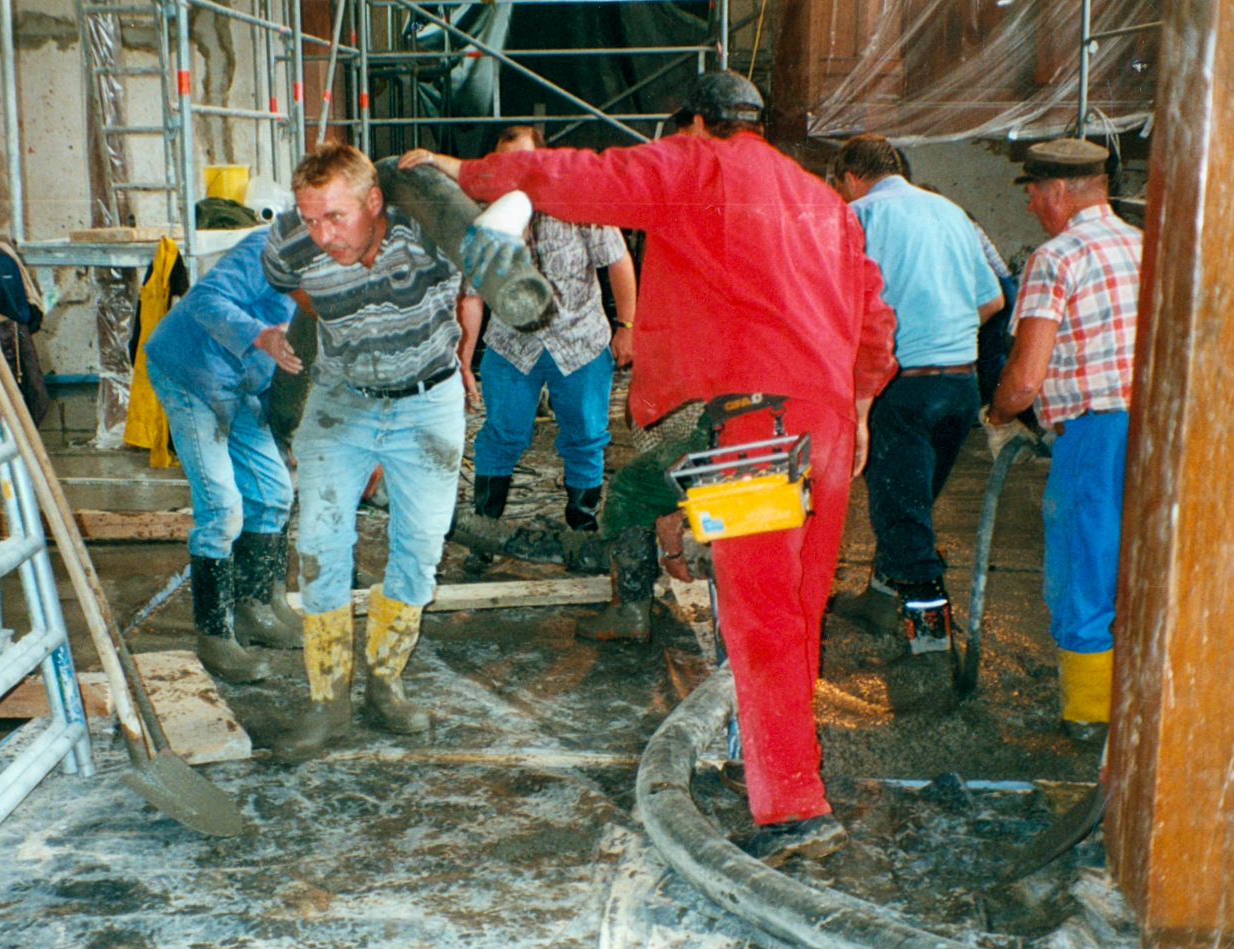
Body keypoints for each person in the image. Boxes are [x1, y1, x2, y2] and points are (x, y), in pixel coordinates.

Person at [401, 70, 897, 866]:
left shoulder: (700, 164)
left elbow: (579, 176)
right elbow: (874, 316)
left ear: (695, 124)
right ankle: (767, 756)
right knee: (796, 608)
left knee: (758, 615)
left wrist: (464, 174)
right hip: (828, 422)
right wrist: (861, 403)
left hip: (755, 429)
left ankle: (794, 806)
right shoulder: (822, 201)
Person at [259, 143, 482, 764]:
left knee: (420, 548)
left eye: (336, 217)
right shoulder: (291, 241)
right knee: (321, 546)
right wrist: (317, 317)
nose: (322, 235)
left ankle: (386, 682)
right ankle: (327, 700)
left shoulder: (430, 234)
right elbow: (282, 280)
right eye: (310, 217)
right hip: (341, 399)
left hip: (426, 404)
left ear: (375, 202)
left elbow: (486, 262)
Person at [827, 135, 1003, 671]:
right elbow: (993, 299)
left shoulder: (858, 216)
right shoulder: (951, 211)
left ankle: (930, 650)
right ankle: (880, 603)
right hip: (958, 386)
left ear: (850, 177)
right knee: (909, 503)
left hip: (899, 387)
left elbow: (838, 304)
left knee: (903, 518)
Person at [986, 138, 1140, 743]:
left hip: (1095, 433)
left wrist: (998, 412)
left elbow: (1025, 379)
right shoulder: (1145, 245)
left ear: (1057, 191)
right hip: (1159, 432)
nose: (1029, 204)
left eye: (1031, 191)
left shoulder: (1056, 257)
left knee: (1084, 568)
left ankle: (1088, 714)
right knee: (1142, 564)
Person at [437, 125, 637, 571]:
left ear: (545, 161)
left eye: (526, 162)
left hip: (580, 343)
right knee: (501, 435)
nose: (517, 174)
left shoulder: (580, 204)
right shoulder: (483, 220)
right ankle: (485, 534)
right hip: (512, 349)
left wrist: (628, 325)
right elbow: (471, 295)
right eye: (505, 165)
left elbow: (618, 262)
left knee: (585, 438)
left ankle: (581, 534)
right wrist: (464, 361)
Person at [143, 226, 302, 685]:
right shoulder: (273, 248)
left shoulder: (342, 269)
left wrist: (286, 433)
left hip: (245, 382)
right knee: (223, 509)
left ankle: (257, 609)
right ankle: (214, 634)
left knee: (275, 492)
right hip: (191, 370)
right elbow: (205, 299)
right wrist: (259, 335)